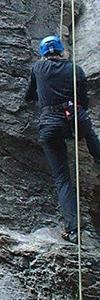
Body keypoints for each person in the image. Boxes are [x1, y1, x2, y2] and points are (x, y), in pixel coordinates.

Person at [25, 35, 100, 243]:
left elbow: (30, 95)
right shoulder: (75, 69)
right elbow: (83, 101)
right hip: (74, 119)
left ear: (43, 54)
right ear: (61, 51)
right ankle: (98, 156)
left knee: (63, 179)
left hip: (50, 125)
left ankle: (73, 230)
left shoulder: (38, 69)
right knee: (88, 129)